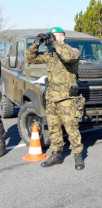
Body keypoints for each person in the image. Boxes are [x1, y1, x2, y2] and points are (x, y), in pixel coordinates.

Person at [26, 27, 85, 170]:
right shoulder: (50, 55)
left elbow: (67, 57)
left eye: (55, 36)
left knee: (71, 128)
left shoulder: (73, 51)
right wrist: (36, 44)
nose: (52, 38)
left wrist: (55, 44)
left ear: (63, 37)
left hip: (67, 98)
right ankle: (56, 154)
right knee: (53, 128)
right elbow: (30, 59)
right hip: (52, 97)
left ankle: (78, 156)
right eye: (51, 37)